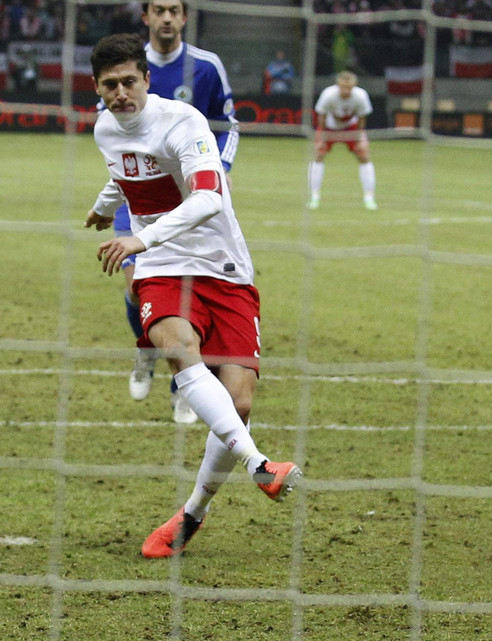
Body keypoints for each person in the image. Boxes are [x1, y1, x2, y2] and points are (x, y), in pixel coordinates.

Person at [85, 33, 300, 558]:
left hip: (222, 266)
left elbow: (207, 197)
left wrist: (139, 235)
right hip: (161, 267)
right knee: (179, 347)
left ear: (146, 79)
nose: (120, 93)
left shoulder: (184, 122)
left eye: (129, 81)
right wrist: (102, 206)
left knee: (239, 402)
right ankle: (259, 465)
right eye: (109, 85)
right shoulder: (104, 128)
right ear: (98, 87)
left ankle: (193, 513)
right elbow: (122, 169)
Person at [118, 0, 241, 424]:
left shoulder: (206, 66)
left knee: (195, 291)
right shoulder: (127, 68)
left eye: (174, 10)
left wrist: (215, 175)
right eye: (159, 10)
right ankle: (145, 349)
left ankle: (184, 388)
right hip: (139, 197)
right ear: (146, 17)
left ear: (185, 17)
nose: (167, 18)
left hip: (193, 203)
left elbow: (228, 124)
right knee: (139, 286)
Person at [308, 70, 377, 211]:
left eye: (349, 88)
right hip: (329, 127)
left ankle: (369, 198)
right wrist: (322, 137)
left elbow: (362, 119)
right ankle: (314, 197)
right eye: (343, 87)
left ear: (354, 86)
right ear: (338, 85)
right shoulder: (328, 95)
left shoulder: (361, 96)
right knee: (318, 154)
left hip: (350, 128)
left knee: (363, 154)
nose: (345, 91)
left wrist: (359, 139)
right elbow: (321, 116)